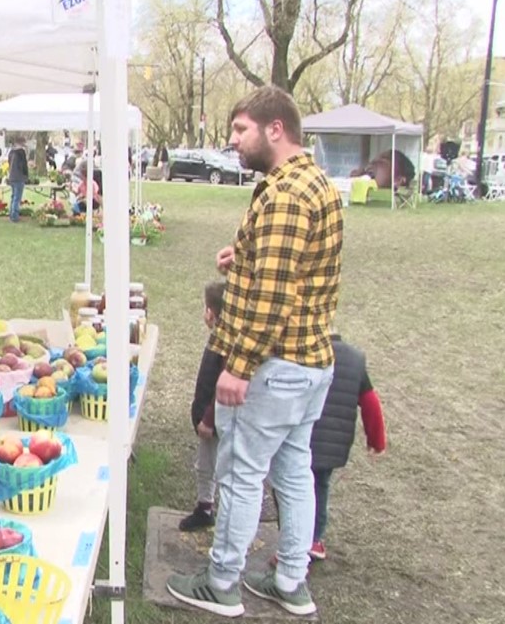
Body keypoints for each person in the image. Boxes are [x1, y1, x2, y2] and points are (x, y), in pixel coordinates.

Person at [166, 85, 343, 618]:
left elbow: (274, 295)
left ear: (275, 129)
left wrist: (238, 368)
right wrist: (241, 257)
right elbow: (291, 267)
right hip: (311, 366)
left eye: (241, 129)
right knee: (294, 471)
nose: (232, 140)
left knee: (241, 474)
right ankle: (290, 579)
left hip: (275, 366)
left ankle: (222, 582)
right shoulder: (313, 184)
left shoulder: (286, 195)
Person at [301, 334, 387, 559]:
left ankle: (294, 541)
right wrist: (376, 440)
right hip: (334, 442)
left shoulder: (303, 349)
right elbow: (370, 402)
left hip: (304, 434)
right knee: (320, 485)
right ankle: (315, 539)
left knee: (293, 485)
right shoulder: (355, 359)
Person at [178, 281, 226, 532]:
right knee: (204, 464)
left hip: (217, 421)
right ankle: (204, 507)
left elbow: (222, 384)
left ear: (210, 312)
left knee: (220, 467)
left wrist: (209, 418)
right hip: (209, 419)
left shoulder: (226, 344)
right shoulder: (217, 338)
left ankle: (227, 519)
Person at [6, 136, 30, 223]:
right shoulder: (21, 152)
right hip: (19, 176)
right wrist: (26, 176)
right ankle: (15, 216)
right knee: (17, 197)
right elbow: (24, 166)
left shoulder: (11, 152)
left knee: (13, 196)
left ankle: (11, 214)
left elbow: (9, 163)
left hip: (12, 176)